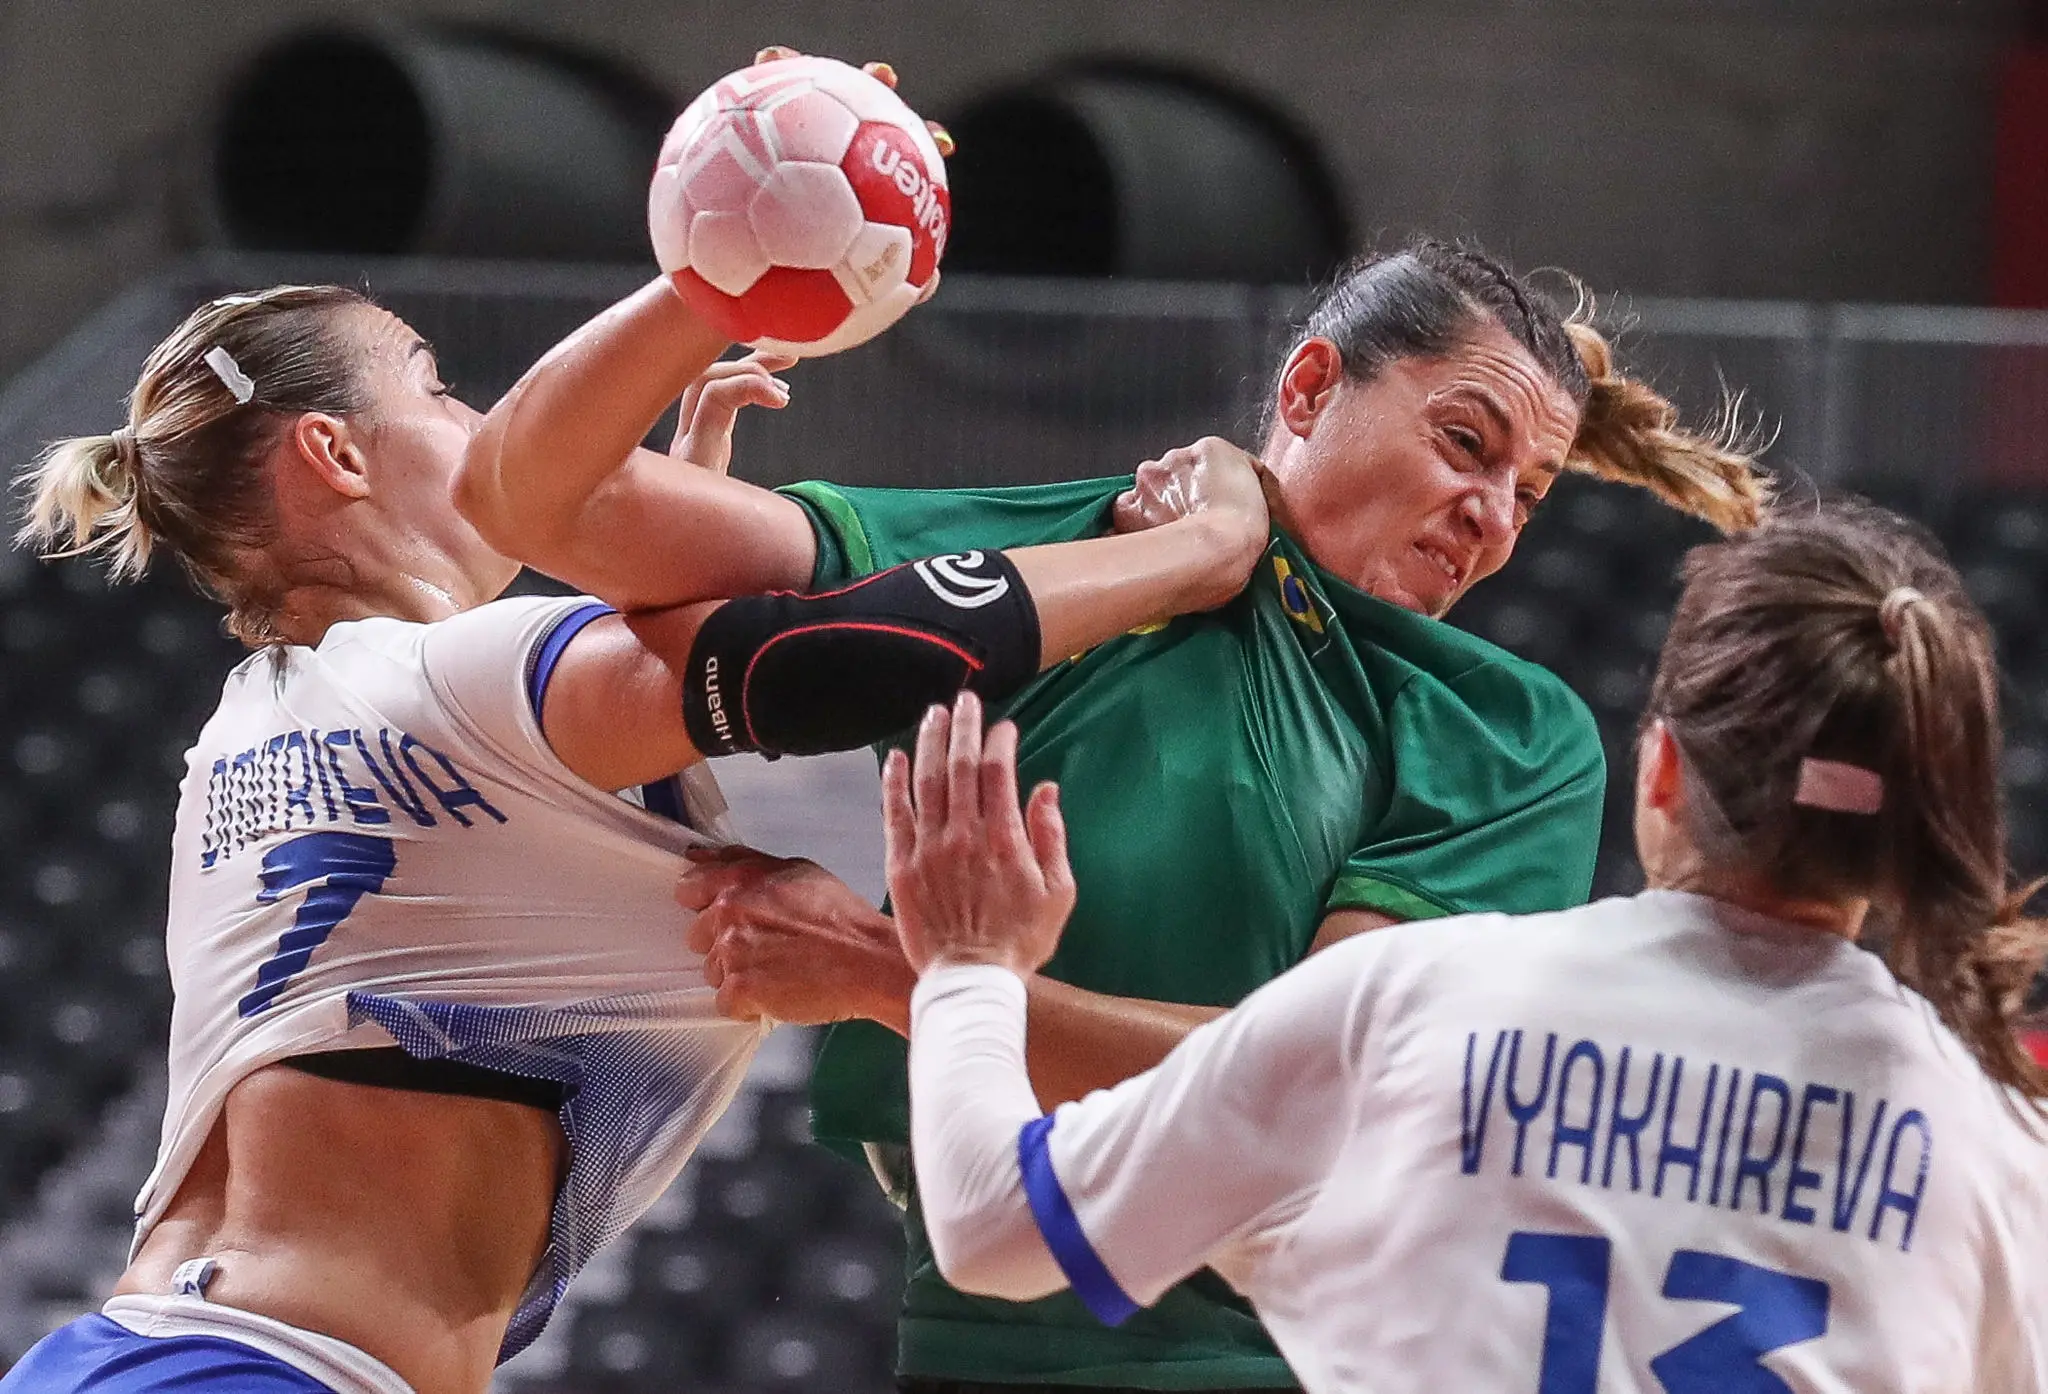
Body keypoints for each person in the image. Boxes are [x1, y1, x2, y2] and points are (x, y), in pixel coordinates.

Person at [0, 182, 1270, 1394]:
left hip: (151, 1349)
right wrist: (1189, 554)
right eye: (435, 386)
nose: (471, 417)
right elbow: (829, 657)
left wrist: (667, 543)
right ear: (334, 452)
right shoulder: (449, 682)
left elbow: (498, 839)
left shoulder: (247, 734)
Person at [678, 239, 1772, 1391]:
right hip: (965, 1343)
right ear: (1307, 388)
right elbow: (640, 582)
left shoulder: (1502, 726)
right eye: (1464, 446)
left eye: (1528, 496)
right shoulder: (1056, 563)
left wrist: (885, 971)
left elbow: (1325, 1099)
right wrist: (697, 324)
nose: (1492, 518)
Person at [897, 500, 2048, 1394]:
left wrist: (966, 967)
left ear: (1659, 769)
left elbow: (993, 1223)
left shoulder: (1414, 997)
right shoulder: (1994, 1141)